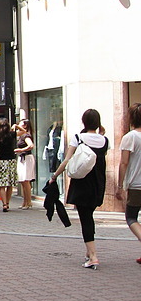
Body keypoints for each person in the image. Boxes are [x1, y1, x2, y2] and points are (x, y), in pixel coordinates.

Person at [49, 109, 108, 270]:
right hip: (98, 183)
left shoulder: (78, 138)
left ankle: (93, 256)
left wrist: (54, 176)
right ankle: (89, 252)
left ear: (84, 122)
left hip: (82, 183)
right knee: (89, 216)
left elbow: (67, 160)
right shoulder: (104, 141)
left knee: (85, 219)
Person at [115, 103, 141, 262]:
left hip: (136, 185)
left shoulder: (130, 137)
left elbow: (124, 163)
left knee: (131, 217)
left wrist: (120, 186)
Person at [15, 119, 36, 209]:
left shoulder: (26, 135)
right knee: (23, 181)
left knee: (26, 180)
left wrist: (21, 150)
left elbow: (31, 145)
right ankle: (25, 201)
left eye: (20, 124)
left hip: (27, 158)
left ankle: (29, 202)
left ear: (25, 126)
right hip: (23, 158)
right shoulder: (21, 135)